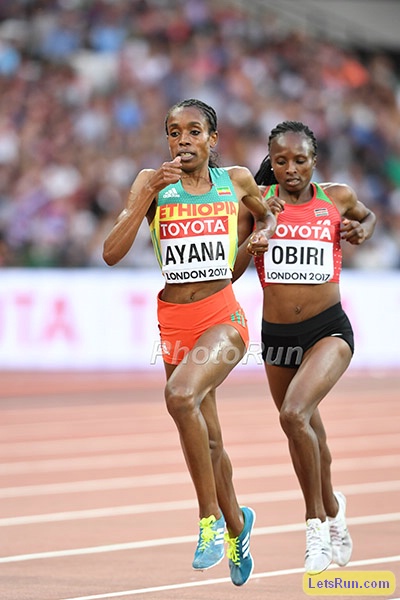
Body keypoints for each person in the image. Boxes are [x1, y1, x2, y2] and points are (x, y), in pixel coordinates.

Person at [102, 98, 276, 586]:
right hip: (173, 320)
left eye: (194, 131)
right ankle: (240, 524)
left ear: (212, 139)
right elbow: (111, 253)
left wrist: (255, 242)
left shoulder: (236, 180)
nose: (183, 140)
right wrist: (145, 198)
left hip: (223, 316)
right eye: (174, 132)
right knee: (210, 436)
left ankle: (209, 522)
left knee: (180, 396)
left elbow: (268, 218)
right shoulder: (149, 183)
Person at [235, 120, 376, 575]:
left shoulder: (336, 198)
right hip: (276, 338)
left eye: (299, 160)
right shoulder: (257, 205)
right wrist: (255, 237)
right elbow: (234, 269)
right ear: (271, 162)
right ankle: (334, 507)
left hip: (328, 330)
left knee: (294, 414)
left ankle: (315, 525)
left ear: (314, 161)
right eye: (281, 161)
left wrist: (362, 232)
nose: (290, 169)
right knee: (307, 429)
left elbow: (367, 217)